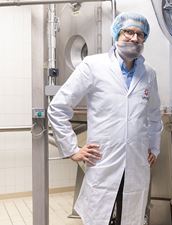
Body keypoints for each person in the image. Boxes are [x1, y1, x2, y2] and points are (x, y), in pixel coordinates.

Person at [48, 12, 162, 225]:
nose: (134, 38)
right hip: (104, 160)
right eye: (128, 32)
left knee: (131, 216)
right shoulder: (93, 65)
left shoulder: (149, 73)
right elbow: (58, 107)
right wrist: (72, 149)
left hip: (136, 163)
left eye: (140, 34)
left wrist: (154, 148)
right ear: (117, 33)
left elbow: (154, 115)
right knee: (99, 216)